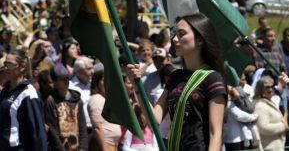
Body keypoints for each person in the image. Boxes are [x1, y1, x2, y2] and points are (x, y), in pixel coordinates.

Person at [127, 13, 227, 151]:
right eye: (175, 34)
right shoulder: (175, 77)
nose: (174, 39)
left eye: (182, 34)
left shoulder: (212, 78)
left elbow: (215, 133)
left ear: (200, 40)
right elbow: (153, 120)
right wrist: (136, 85)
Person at [0, 48, 47, 150]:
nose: (6, 68)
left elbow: (38, 131)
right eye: (5, 64)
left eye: (10, 65)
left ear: (22, 66)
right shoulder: (5, 91)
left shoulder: (29, 93)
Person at [44, 65, 88, 150]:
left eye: (67, 78)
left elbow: (82, 127)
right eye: (62, 79)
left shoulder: (77, 100)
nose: (66, 81)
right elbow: (52, 131)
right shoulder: (51, 101)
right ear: (55, 82)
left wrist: (83, 148)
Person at [88, 69, 121, 151]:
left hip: (112, 145)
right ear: (97, 83)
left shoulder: (107, 100)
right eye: (103, 80)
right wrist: (105, 149)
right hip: (103, 146)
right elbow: (97, 127)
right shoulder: (96, 99)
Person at [254, 76, 287, 151]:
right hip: (269, 147)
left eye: (272, 86)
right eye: (267, 87)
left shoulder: (269, 101)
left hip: (277, 145)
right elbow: (263, 128)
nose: (271, 89)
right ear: (260, 88)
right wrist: (283, 126)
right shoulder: (260, 105)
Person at [69, 56, 95, 133]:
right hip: (81, 129)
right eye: (89, 69)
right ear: (79, 72)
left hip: (95, 127)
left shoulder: (93, 85)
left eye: (92, 68)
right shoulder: (71, 87)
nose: (92, 71)